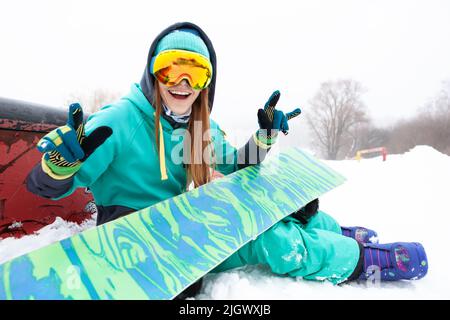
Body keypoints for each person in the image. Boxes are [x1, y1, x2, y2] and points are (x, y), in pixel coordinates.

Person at [26, 22, 428, 299]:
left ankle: (337, 233)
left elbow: (237, 168)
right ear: (153, 74)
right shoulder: (119, 121)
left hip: (181, 223)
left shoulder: (198, 126)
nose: (182, 85)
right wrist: (59, 166)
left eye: (194, 74)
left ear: (207, 82)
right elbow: (50, 185)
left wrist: (265, 137)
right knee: (266, 239)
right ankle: (361, 262)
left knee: (273, 215)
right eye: (171, 71)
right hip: (138, 237)